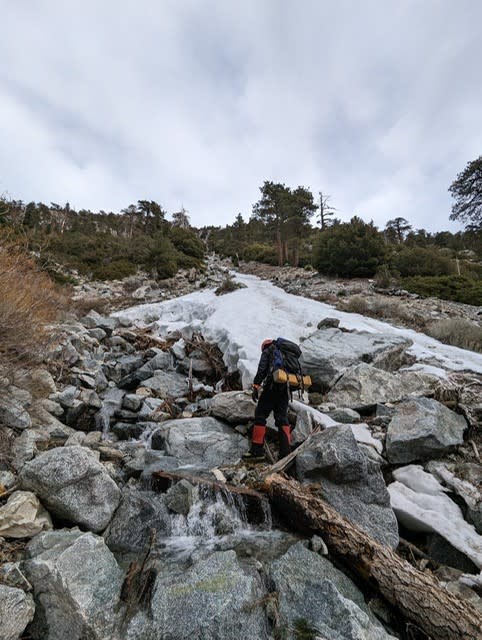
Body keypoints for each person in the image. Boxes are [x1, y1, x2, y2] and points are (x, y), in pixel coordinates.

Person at [243, 339, 292, 462]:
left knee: (260, 415)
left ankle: (257, 451)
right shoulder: (286, 354)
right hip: (285, 389)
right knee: (282, 418)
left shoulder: (269, 350)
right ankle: (286, 453)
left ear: (264, 346)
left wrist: (256, 386)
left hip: (271, 387)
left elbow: (262, 369)